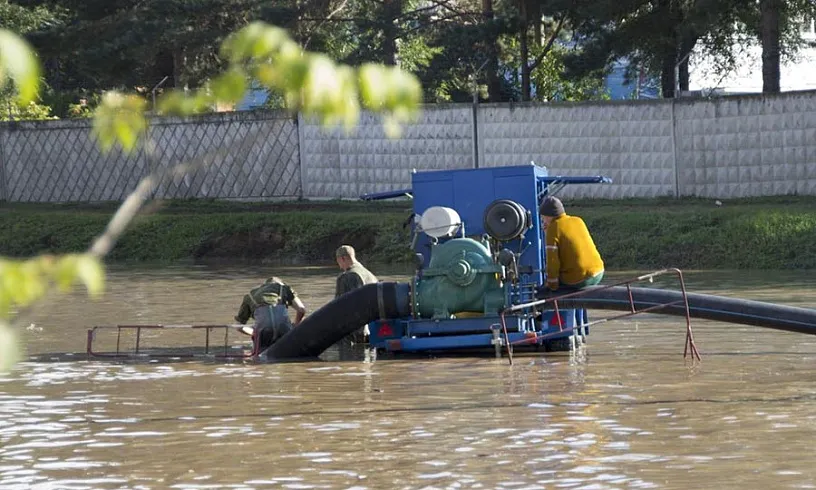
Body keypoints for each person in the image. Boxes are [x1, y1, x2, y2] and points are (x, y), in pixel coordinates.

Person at [538, 196, 605, 297]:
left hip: (580, 279)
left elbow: (552, 263)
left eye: (543, 218)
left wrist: (551, 286)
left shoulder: (553, 228)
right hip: (598, 272)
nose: (543, 221)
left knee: (545, 288)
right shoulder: (578, 220)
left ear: (548, 216)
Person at [234, 276, 307, 353]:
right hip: (284, 330)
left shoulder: (249, 296)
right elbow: (301, 309)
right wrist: (295, 326)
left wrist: (254, 333)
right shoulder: (284, 288)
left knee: (260, 355)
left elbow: (239, 327)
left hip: (263, 334)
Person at [335, 245, 378, 343]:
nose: (338, 265)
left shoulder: (347, 276)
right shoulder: (369, 274)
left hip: (356, 333)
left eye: (338, 261)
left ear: (343, 258)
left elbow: (338, 307)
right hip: (372, 329)